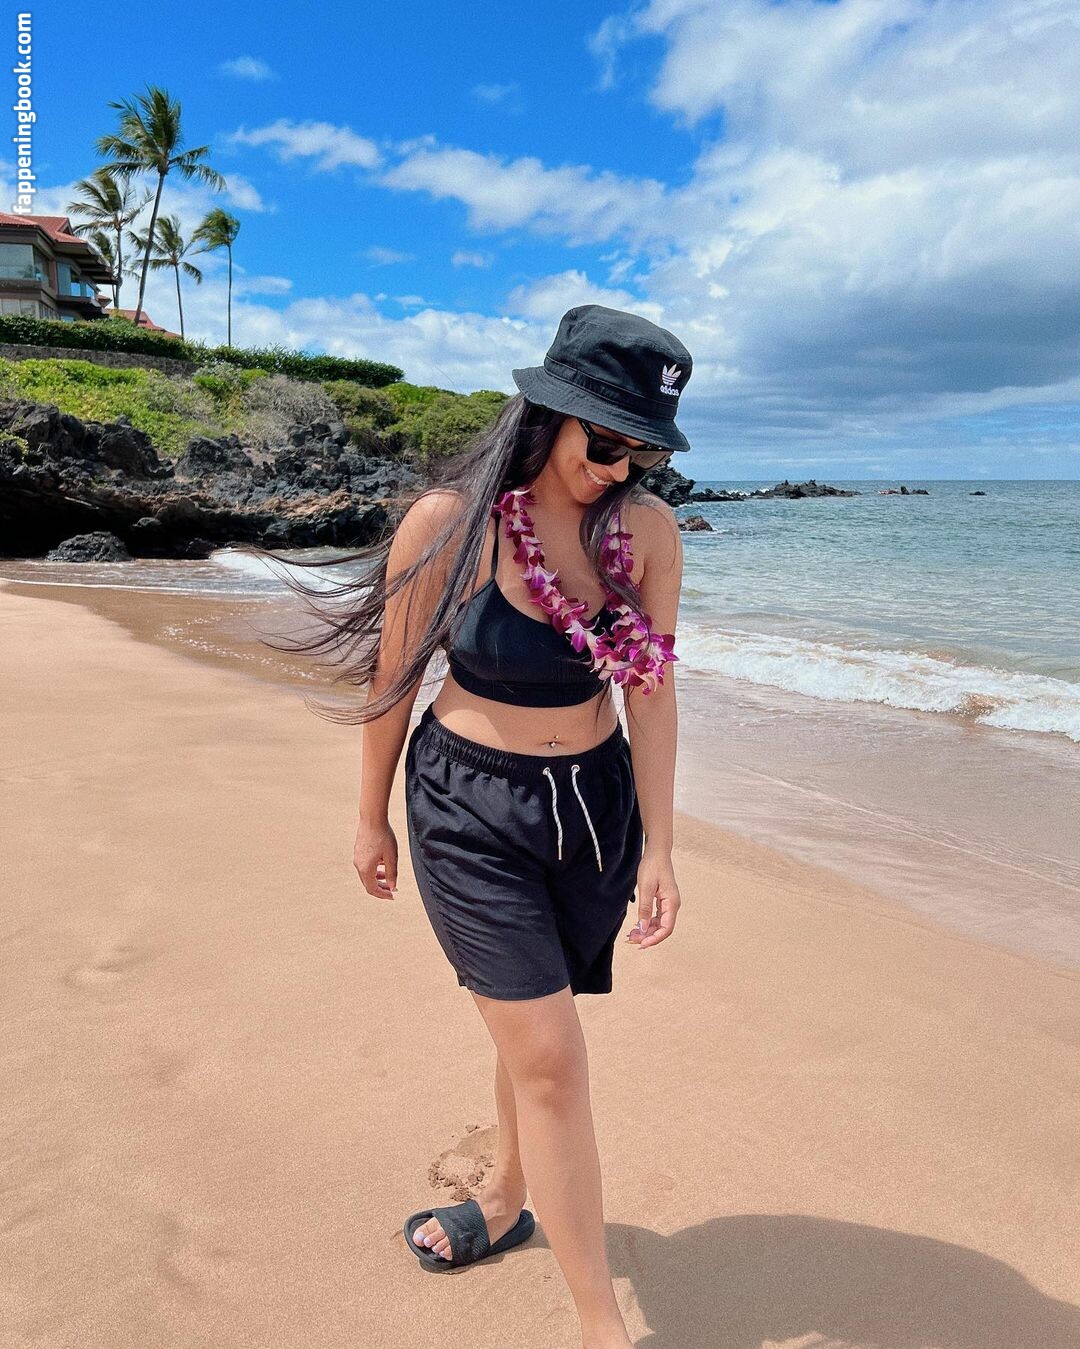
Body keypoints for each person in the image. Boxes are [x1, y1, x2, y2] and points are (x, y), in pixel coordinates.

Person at [250, 303, 693, 1349]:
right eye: (606, 441)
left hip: (592, 811)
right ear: (550, 412)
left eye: (643, 451)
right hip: (468, 809)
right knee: (553, 1057)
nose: (620, 469)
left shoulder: (646, 535)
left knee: (535, 1028)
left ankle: (503, 1197)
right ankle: (602, 1326)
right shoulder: (449, 523)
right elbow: (394, 672)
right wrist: (368, 816)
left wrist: (662, 846)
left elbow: (653, 692)